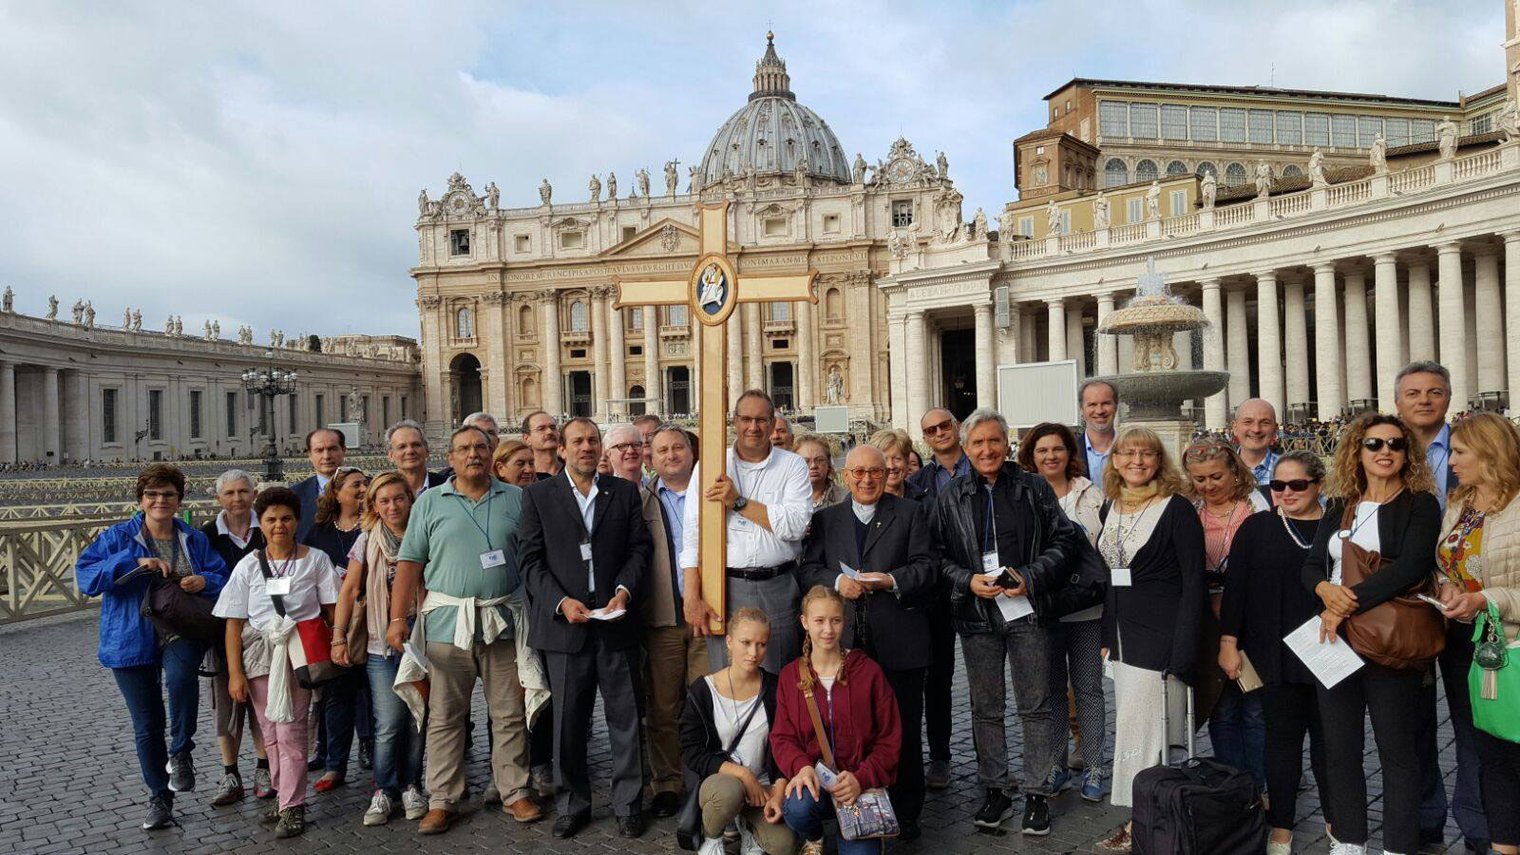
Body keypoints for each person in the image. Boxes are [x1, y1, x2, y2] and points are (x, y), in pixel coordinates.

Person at [932, 408, 1079, 834]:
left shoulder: (1033, 487)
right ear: (966, 447)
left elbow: (1063, 539)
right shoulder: (951, 495)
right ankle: (994, 788)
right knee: (986, 708)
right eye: (977, 443)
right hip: (977, 613)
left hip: (1027, 609)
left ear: (1007, 443)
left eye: (994, 441)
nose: (987, 450)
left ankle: (1037, 792)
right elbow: (937, 556)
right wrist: (966, 580)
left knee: (1035, 705)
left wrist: (1030, 577)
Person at [1300, 413, 1441, 855]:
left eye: (1395, 445)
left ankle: (1399, 846)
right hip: (1334, 639)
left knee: (1397, 752)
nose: (1385, 452)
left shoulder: (1419, 503)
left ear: (1407, 453)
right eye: (1375, 444)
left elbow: (1411, 568)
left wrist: (1344, 603)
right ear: (1357, 451)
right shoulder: (1342, 501)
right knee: (1340, 749)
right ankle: (1348, 841)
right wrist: (1325, 590)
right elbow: (1311, 566)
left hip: (1387, 638)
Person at [388, 425, 540, 834]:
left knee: (508, 713)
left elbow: (535, 558)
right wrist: (398, 618)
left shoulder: (519, 499)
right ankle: (443, 798)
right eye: (462, 449)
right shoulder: (429, 503)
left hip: (505, 621)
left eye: (479, 447)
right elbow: (409, 564)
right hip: (445, 624)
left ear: (492, 454)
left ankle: (514, 791)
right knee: (445, 717)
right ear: (449, 458)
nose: (472, 454)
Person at [520, 416, 653, 839]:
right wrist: (560, 602)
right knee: (568, 723)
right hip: (566, 627)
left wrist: (624, 590)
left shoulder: (624, 492)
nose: (586, 448)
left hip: (615, 619)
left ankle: (629, 803)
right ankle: (573, 803)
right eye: (577, 441)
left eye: (593, 441)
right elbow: (530, 561)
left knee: (626, 718)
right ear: (562, 448)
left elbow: (639, 549)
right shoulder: (539, 496)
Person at [77, 464, 228, 831]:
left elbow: (223, 577)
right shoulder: (117, 537)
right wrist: (134, 561)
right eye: (153, 495)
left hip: (181, 629)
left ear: (179, 500)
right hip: (130, 635)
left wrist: (203, 580)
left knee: (180, 680)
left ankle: (181, 752)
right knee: (146, 724)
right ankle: (159, 796)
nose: (160, 500)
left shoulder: (193, 538)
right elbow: (86, 578)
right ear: (141, 500)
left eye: (168, 494)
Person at [800, 445, 937, 840]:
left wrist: (891, 581)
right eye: (857, 472)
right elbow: (808, 569)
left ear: (887, 473)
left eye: (875, 471)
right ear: (845, 477)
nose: (866, 479)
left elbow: (927, 568)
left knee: (904, 729)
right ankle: (852, 802)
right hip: (843, 643)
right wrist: (837, 582)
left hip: (899, 640)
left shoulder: (910, 514)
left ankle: (907, 810)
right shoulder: (827, 519)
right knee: (850, 728)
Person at [1094, 427, 1205, 854]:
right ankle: (1146, 820)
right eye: (1129, 453)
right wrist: (1107, 633)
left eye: (1147, 454)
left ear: (1159, 461)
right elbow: (1111, 580)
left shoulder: (1177, 510)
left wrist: (1184, 649)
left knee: (1144, 736)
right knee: (1134, 731)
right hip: (1122, 639)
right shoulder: (1112, 507)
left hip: (1161, 638)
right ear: (1116, 461)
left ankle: (1139, 824)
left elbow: (1193, 583)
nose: (1138, 461)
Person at [1218, 451, 1332, 855]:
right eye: (1277, 486)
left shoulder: (1339, 524)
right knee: (1281, 743)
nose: (1286, 492)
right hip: (1274, 651)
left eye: (1297, 485)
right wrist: (1228, 641)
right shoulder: (1257, 526)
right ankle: (1281, 827)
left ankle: (1339, 824)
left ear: (1318, 484)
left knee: (1331, 742)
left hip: (1329, 649)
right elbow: (1237, 589)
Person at [214, 486, 339, 838]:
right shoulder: (248, 565)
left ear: (297, 521)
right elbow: (233, 623)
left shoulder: (315, 560)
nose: (279, 525)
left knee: (291, 731)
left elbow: (332, 610)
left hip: (297, 655)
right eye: (271, 519)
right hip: (258, 655)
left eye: (286, 518)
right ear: (261, 523)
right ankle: (285, 796)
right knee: (269, 732)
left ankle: (294, 804)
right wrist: (235, 673)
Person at [1392, 360, 1480, 850]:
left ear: (1448, 397)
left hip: (1466, 601)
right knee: (1411, 723)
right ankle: (1424, 817)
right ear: (1398, 399)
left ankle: (1480, 825)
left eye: (1434, 391)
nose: (1424, 400)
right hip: (1407, 607)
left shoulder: (1476, 447)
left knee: (1473, 722)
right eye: (1413, 393)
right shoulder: (1382, 447)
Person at [1435, 412, 1519, 855]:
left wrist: (1488, 599)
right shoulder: (1460, 503)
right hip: (1466, 641)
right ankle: (1493, 840)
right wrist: (1447, 587)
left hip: (1512, 644)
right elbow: (1447, 561)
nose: (1451, 461)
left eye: (1460, 452)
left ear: (1489, 452)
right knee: (1485, 746)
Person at [681, 390, 812, 674]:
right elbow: (692, 534)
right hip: (724, 587)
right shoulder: (710, 465)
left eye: (761, 420)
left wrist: (738, 503)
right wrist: (691, 596)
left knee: (779, 676)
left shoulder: (793, 465)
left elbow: (796, 525)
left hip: (778, 585)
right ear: (734, 421)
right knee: (728, 676)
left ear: (772, 422)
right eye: (746, 419)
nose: (753, 427)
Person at [770, 586, 902, 855]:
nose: (828, 630)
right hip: (815, 781)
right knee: (797, 808)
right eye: (819, 621)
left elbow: (889, 738)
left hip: (858, 784)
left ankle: (865, 837)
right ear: (805, 622)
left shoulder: (868, 672)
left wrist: (862, 777)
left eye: (836, 620)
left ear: (845, 621)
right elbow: (782, 737)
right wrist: (801, 767)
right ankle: (814, 836)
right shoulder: (789, 676)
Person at [332, 471, 428, 826]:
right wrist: (338, 636)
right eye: (384, 500)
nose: (392, 506)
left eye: (399, 498)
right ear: (373, 505)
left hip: (422, 638)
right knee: (388, 722)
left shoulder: (426, 534)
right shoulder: (367, 541)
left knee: (418, 717)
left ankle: (412, 785)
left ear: (410, 499)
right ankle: (385, 789)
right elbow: (348, 591)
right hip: (378, 643)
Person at [1017, 422, 1106, 802]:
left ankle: (1095, 765)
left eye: (1057, 449)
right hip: (1044, 609)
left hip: (1087, 608)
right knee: (1050, 690)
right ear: (1031, 457)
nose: (1050, 456)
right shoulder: (1021, 496)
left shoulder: (1093, 494)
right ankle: (1055, 764)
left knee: (1088, 688)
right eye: (1042, 451)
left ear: (1070, 453)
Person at [1181, 439, 1269, 791]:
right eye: (1200, 479)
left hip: (1252, 620)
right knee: (1221, 709)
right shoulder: (1189, 510)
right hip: (1209, 623)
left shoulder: (1256, 507)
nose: (1209, 486)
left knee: (1256, 710)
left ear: (1235, 471)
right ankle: (1233, 787)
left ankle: (1260, 785)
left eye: (1216, 476)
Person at [680, 608, 798, 855]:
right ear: (729, 641)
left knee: (784, 845)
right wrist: (743, 775)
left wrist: (778, 789)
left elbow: (786, 743)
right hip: (722, 783)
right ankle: (713, 838)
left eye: (761, 644)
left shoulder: (776, 688)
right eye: (746, 643)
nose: (754, 653)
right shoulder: (703, 691)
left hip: (762, 789)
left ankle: (748, 829)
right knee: (728, 792)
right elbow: (692, 752)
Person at [640, 423, 711, 818]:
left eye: (678, 447)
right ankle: (666, 781)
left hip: (708, 614)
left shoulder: (712, 492)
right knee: (663, 706)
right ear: (652, 456)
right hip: (664, 616)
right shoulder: (641, 499)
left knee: (705, 700)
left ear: (691, 450)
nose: (671, 455)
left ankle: (707, 778)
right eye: (662, 449)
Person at [199, 469, 271, 807]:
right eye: (230, 493)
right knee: (226, 707)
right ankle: (230, 774)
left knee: (262, 703)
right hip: (221, 632)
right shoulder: (205, 536)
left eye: (243, 491)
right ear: (218, 499)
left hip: (264, 633)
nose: (237, 498)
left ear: (254, 494)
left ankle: (263, 767)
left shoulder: (268, 527)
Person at [905, 407, 967, 789]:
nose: (940, 432)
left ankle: (994, 765)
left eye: (946, 425)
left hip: (981, 584)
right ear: (925, 438)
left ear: (957, 428)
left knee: (985, 683)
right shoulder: (921, 482)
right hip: (938, 588)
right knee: (938, 678)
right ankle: (940, 756)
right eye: (932, 429)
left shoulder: (981, 469)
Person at [303, 466, 371, 792]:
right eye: (356, 484)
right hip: (335, 623)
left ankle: (373, 755)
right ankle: (334, 764)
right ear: (337, 492)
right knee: (336, 695)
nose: (363, 489)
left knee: (372, 693)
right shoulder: (318, 532)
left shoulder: (374, 525)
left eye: (366, 484)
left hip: (371, 619)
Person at [293, 428, 347, 541]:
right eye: (319, 450)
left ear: (343, 450)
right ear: (310, 455)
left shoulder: (370, 489)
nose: (326, 456)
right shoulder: (294, 495)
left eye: (332, 449)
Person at [387, 419, 448, 496]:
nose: (410, 451)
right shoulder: (384, 492)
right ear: (391, 456)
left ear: (427, 450)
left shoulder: (448, 487)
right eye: (402, 447)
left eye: (416, 445)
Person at [868, 428, 927, 503]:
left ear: (906, 460)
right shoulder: (862, 502)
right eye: (884, 460)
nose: (891, 466)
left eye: (897, 459)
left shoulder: (924, 502)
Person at [1231, 399, 1280, 487]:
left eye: (1265, 423)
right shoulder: (1218, 471)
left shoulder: (1293, 470)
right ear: (1235, 428)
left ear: (1275, 429)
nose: (1256, 429)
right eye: (1248, 422)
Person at [1079, 380, 1119, 481]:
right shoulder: (1069, 451)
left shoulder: (1133, 449)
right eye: (1092, 404)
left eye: (1106, 403)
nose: (1099, 411)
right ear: (1081, 409)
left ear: (1116, 406)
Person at [796, 435, 846, 510]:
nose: (813, 466)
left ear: (828, 464)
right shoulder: (780, 501)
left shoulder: (846, 500)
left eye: (819, 460)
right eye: (805, 461)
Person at [522, 410, 562, 479]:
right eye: (541, 429)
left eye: (553, 427)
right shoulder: (525, 476)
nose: (549, 432)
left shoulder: (573, 470)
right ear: (527, 439)